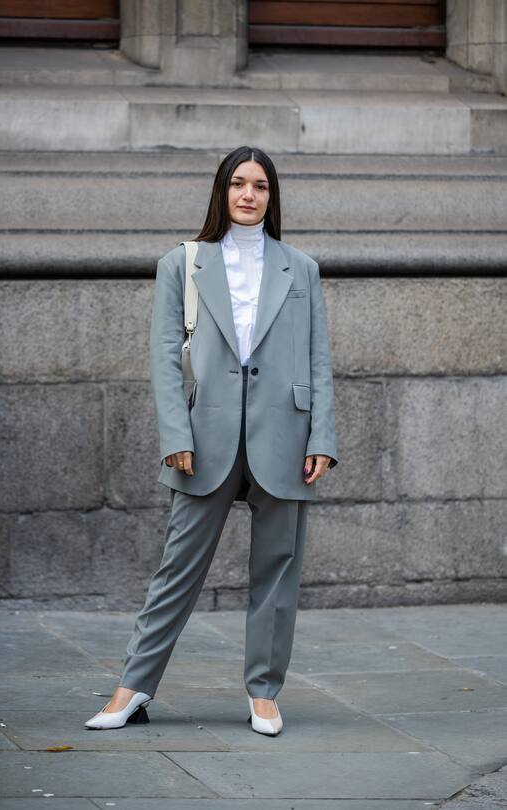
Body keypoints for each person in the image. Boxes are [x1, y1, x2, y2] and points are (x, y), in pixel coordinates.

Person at [85, 145, 338, 736]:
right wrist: (175, 431)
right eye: (239, 184)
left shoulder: (301, 268)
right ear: (221, 191)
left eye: (261, 186)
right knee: (177, 569)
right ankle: (131, 688)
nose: (249, 195)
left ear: (272, 198)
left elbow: (319, 359)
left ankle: (264, 694)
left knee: (278, 570)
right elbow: (162, 357)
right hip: (204, 438)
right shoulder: (182, 263)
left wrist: (321, 436)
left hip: (286, 436)